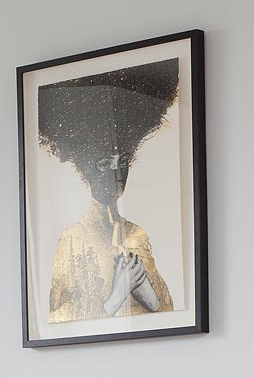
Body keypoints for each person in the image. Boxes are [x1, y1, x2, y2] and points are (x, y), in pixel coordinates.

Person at [36, 59, 181, 323]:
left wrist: (147, 295)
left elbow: (170, 313)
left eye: (122, 162)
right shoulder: (72, 239)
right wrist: (118, 294)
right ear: (86, 169)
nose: (116, 174)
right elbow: (57, 322)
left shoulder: (138, 235)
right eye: (104, 164)